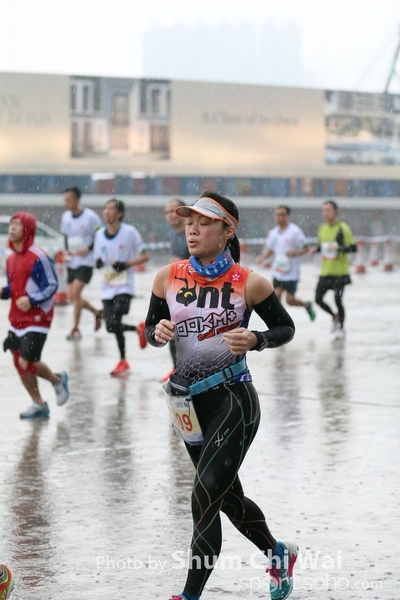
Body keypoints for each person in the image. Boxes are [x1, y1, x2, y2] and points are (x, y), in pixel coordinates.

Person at [144, 191, 298, 600]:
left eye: (204, 222)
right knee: (226, 498)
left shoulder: (250, 282)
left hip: (233, 401)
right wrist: (158, 333)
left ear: (228, 230)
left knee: (203, 496)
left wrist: (257, 339)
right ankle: (277, 553)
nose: (192, 230)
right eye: (189, 222)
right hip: (185, 406)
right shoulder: (167, 276)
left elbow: (286, 328)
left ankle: (189, 595)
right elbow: (150, 329)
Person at [0, 212, 69, 419]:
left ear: (28, 229)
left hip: (38, 319)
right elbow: (14, 288)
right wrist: (3, 292)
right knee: (18, 362)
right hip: (16, 319)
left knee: (26, 362)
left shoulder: (39, 256)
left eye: (17, 225)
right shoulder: (10, 258)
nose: (12, 228)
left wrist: (32, 300)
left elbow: (52, 285)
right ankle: (38, 404)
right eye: (11, 224)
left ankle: (57, 380)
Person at [93, 199, 150, 377]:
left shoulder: (130, 232)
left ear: (120, 213)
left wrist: (126, 264)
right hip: (106, 286)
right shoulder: (99, 234)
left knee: (115, 319)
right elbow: (97, 258)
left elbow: (145, 256)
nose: (106, 212)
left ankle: (123, 360)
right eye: (105, 208)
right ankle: (136, 331)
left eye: (110, 209)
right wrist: (98, 262)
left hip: (125, 286)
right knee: (111, 327)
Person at [255, 205, 315, 321]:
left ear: (288, 216)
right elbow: (270, 251)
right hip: (278, 271)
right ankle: (281, 322)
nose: (279, 218)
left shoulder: (295, 231)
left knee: (290, 300)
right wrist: (261, 258)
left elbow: (306, 247)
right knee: (275, 299)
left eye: (282, 215)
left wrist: (294, 253)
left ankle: (307, 305)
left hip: (291, 273)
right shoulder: (273, 233)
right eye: (277, 215)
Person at [310, 199, 357, 338]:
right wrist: (315, 250)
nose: (325, 213)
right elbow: (322, 247)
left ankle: (341, 327)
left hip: (340, 273)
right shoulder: (322, 229)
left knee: (338, 299)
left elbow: (353, 248)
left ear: (335, 211)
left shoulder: (343, 228)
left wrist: (339, 248)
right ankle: (334, 316)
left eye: (328, 210)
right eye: (323, 210)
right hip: (326, 272)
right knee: (318, 299)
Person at [60, 186, 103, 340]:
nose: (66, 203)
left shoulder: (91, 217)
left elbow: (100, 235)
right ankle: (97, 313)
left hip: (86, 262)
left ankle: (75, 329)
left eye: (68, 199)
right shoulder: (65, 217)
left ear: (77, 200)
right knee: (73, 297)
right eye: (64, 200)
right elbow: (65, 236)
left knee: (76, 294)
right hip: (72, 261)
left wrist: (88, 248)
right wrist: (66, 251)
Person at [161, 198, 191, 381]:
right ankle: (176, 368)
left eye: (173, 211)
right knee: (172, 329)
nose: (169, 215)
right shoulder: (173, 234)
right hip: (177, 287)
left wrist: (182, 263)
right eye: (166, 212)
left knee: (187, 331)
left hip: (193, 290)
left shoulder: (191, 232)